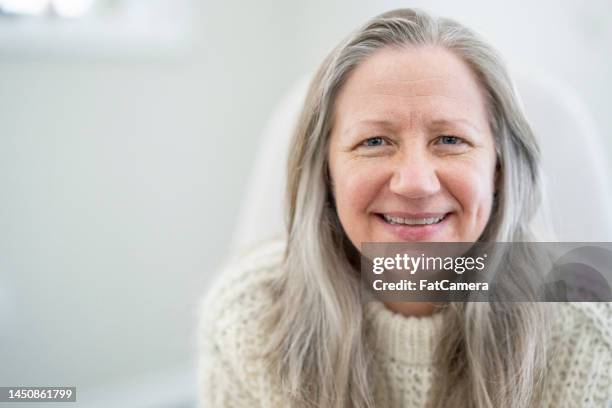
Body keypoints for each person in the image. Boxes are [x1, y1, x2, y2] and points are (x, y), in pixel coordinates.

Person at [198, 8, 612, 408]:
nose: (415, 182)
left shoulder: (583, 325)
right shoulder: (247, 318)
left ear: (499, 170)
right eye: (374, 142)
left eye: (450, 140)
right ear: (327, 173)